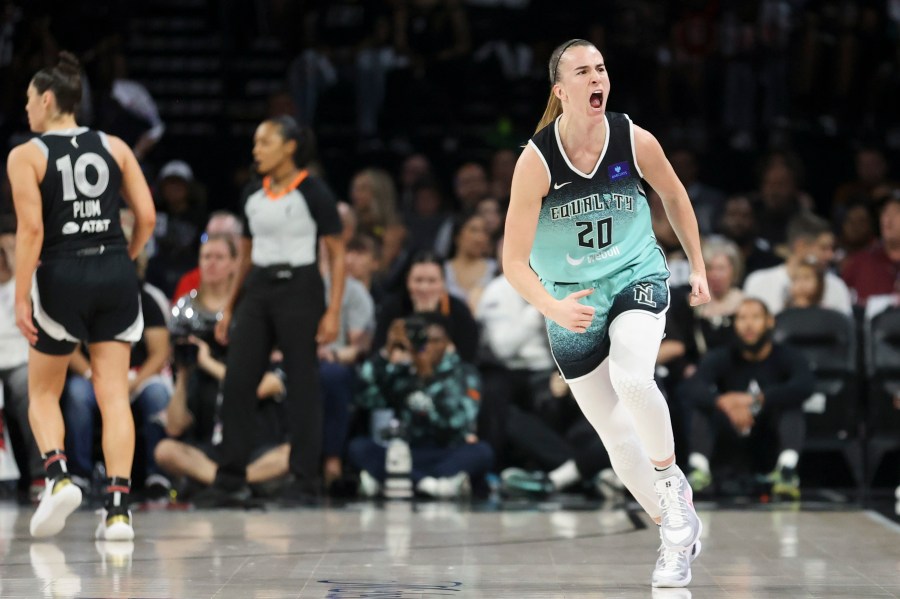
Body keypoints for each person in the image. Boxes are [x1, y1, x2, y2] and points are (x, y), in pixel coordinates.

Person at [502, 39, 710, 589]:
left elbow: (675, 194)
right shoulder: (536, 160)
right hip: (572, 300)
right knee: (616, 436)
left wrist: (699, 265)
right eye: (583, 71)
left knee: (633, 377)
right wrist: (551, 305)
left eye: (601, 69)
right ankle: (674, 527)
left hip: (636, 275)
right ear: (561, 89)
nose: (596, 78)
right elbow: (512, 261)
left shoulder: (633, 138)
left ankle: (671, 487)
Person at [8, 52, 156, 540]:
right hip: (114, 267)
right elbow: (148, 217)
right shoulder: (115, 145)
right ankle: (118, 511)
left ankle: (56, 476)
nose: (25, 108)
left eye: (29, 99)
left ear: (48, 99)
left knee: (43, 392)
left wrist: (23, 293)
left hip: (62, 271)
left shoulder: (26, 153)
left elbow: (30, 230)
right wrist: (125, 256)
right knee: (113, 395)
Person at [205, 115, 345, 504]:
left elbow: (337, 253)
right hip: (258, 288)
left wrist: (333, 311)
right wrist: (231, 308)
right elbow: (246, 255)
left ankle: (304, 481)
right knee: (237, 381)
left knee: (301, 384)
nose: (257, 150)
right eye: (255, 143)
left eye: (265, 142)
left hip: (300, 287)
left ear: (290, 147)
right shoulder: (253, 192)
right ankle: (230, 478)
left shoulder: (314, 191)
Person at [347, 313, 493, 499]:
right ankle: (429, 484)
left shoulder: (464, 374)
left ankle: (398, 480)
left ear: (447, 343)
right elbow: (365, 398)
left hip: (448, 451)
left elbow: (460, 422)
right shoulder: (402, 372)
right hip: (406, 453)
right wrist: (386, 352)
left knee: (482, 452)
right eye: (422, 341)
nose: (426, 347)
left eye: (434, 340)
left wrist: (426, 395)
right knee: (358, 447)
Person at [682, 298, 815, 500]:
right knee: (702, 407)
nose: (748, 324)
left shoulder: (786, 355)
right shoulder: (722, 356)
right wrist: (723, 402)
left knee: (791, 407)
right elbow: (692, 386)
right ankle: (698, 470)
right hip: (730, 428)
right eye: (742, 318)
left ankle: (787, 472)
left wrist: (759, 399)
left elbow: (805, 385)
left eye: (755, 317)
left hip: (768, 431)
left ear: (769, 321)